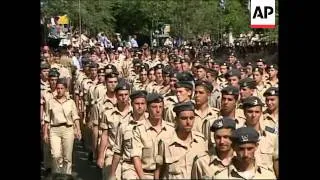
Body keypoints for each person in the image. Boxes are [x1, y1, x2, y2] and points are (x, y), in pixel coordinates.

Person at [156, 101, 207, 179]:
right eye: (184, 118)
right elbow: (158, 171)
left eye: (191, 118)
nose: (188, 122)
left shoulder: (200, 141)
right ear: (176, 119)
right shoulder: (165, 142)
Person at [131, 93, 175, 179]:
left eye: (160, 107)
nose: (158, 110)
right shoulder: (139, 129)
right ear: (147, 108)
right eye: (154, 107)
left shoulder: (171, 129)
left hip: (166, 175)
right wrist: (142, 177)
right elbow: (136, 156)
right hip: (146, 174)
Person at [43, 78, 81, 175]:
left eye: (61, 88)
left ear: (65, 89)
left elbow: (75, 117)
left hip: (68, 129)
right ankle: (56, 175)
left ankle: (66, 175)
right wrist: (45, 133)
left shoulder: (70, 102)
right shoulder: (51, 101)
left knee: (67, 157)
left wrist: (78, 130)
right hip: (54, 129)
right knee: (55, 155)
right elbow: (47, 118)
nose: (59, 90)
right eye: (58, 88)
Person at [110, 90, 149, 180]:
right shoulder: (124, 125)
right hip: (130, 167)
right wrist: (112, 174)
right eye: (137, 103)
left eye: (142, 103)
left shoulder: (151, 123)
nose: (140, 106)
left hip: (147, 166)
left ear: (146, 105)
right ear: (131, 104)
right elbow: (117, 151)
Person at [97, 81, 132, 180]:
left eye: (126, 95)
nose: (123, 97)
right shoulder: (108, 114)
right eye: (120, 95)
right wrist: (100, 156)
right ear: (116, 96)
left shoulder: (135, 113)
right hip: (111, 153)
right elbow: (104, 136)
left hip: (129, 155)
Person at [242, 96, 279, 177]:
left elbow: (276, 162)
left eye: (257, 112)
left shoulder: (271, 136)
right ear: (244, 113)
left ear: (261, 113)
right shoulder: (237, 136)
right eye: (250, 111)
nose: (253, 115)